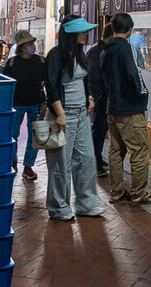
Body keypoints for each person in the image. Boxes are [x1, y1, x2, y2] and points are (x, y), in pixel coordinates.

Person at [43, 15, 105, 220]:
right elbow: (51, 86)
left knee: (86, 159)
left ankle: (87, 205)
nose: (86, 34)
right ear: (70, 33)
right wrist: (59, 114)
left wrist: (88, 98)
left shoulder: (81, 53)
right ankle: (58, 208)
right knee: (61, 163)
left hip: (81, 115)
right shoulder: (55, 55)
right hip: (63, 116)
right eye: (82, 31)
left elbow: (83, 80)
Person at [103, 13, 151, 205]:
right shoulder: (126, 48)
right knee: (139, 151)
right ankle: (138, 194)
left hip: (112, 107)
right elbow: (133, 74)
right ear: (130, 29)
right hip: (130, 109)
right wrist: (142, 94)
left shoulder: (106, 49)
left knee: (115, 150)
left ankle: (117, 191)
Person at [3, 30, 46, 180]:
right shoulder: (12, 62)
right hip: (16, 104)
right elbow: (6, 85)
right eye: (28, 44)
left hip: (37, 104)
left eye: (32, 43)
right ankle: (13, 162)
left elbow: (47, 82)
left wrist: (46, 102)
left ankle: (28, 166)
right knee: (13, 135)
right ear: (21, 47)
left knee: (35, 136)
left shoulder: (41, 61)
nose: (32, 46)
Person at [87, 23, 114, 178]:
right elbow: (93, 76)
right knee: (98, 128)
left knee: (101, 128)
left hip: (105, 95)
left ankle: (97, 158)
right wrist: (97, 95)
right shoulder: (96, 51)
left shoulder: (101, 48)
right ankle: (95, 161)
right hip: (100, 96)